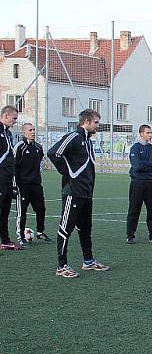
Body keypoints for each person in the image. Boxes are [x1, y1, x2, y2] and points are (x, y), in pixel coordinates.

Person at [47, 108, 109, 278]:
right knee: (66, 228)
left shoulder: (88, 141)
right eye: (96, 122)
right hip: (73, 192)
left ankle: (88, 261)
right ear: (86, 122)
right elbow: (53, 153)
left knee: (85, 228)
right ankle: (62, 266)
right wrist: (69, 173)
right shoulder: (74, 137)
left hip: (86, 194)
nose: (98, 125)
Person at [126, 124, 152, 244]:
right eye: (148, 133)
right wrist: (150, 163)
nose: (150, 135)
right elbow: (137, 165)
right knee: (134, 209)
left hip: (151, 183)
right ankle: (130, 235)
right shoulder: (135, 148)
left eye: (151, 133)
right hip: (138, 183)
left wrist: (146, 164)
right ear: (141, 133)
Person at [14, 123, 50, 244]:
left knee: (41, 209)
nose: (33, 132)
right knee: (22, 212)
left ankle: (40, 232)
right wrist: (15, 185)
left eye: (34, 130)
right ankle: (21, 237)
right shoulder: (20, 147)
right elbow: (14, 167)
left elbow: (39, 161)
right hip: (23, 185)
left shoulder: (38, 147)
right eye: (30, 130)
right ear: (24, 132)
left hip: (36, 184)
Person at [0, 105, 23, 251]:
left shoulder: (7, 133)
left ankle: (5, 241)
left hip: (7, 179)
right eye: (14, 118)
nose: (15, 121)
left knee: (5, 210)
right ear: (6, 116)